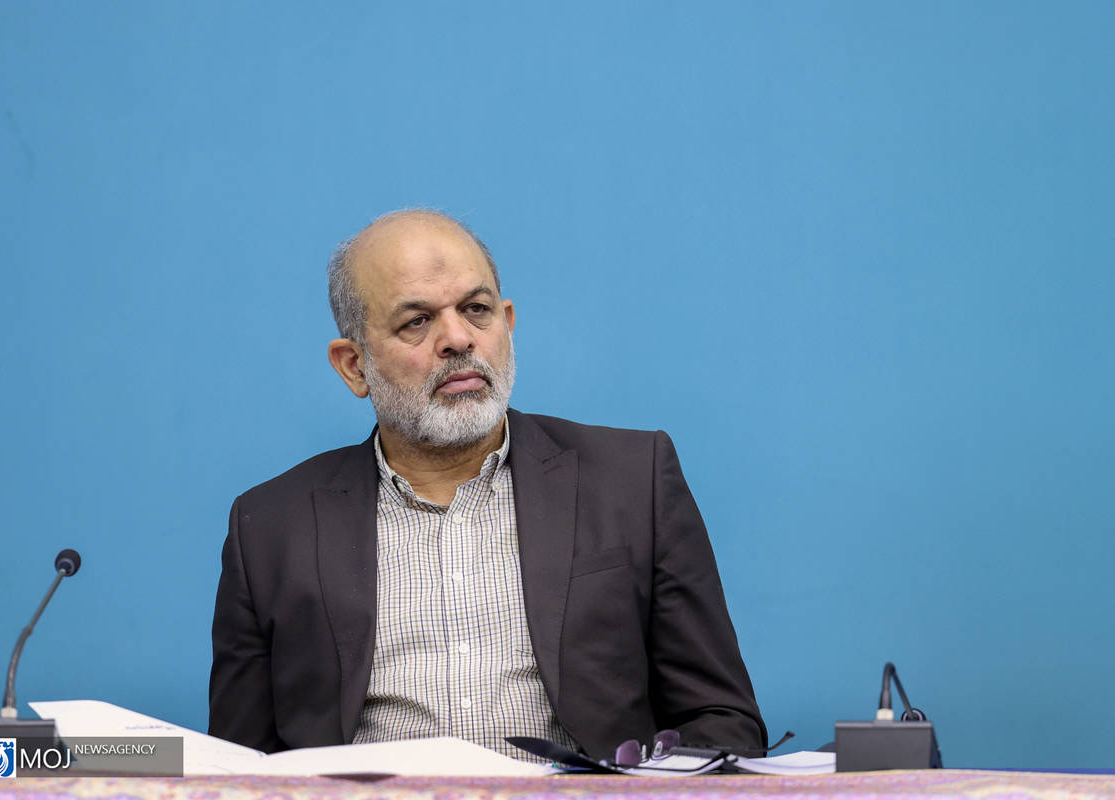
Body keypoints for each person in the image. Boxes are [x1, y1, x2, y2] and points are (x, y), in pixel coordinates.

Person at [209, 209, 766, 760]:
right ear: (354, 365)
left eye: (477, 310)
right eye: (416, 321)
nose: (457, 339)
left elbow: (721, 721)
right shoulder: (269, 528)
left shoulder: (633, 481)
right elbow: (234, 763)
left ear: (508, 323)